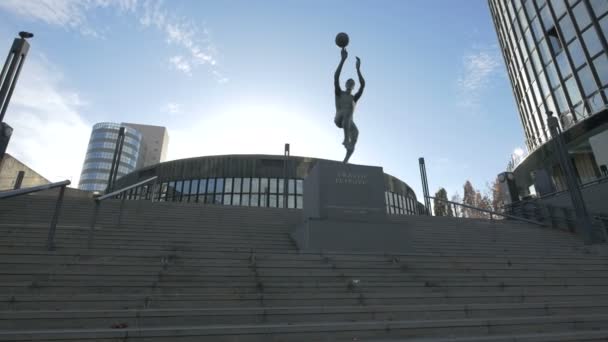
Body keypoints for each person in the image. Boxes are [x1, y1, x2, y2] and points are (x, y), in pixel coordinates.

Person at [334, 48, 365, 163]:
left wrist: (358, 69)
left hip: (348, 121)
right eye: (349, 82)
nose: (350, 84)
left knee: (356, 133)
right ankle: (346, 139)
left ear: (353, 86)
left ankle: (346, 159)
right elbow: (336, 77)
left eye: (352, 83)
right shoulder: (339, 92)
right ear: (346, 84)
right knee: (347, 111)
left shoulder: (354, 98)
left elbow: (363, 85)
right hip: (339, 118)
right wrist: (342, 60)